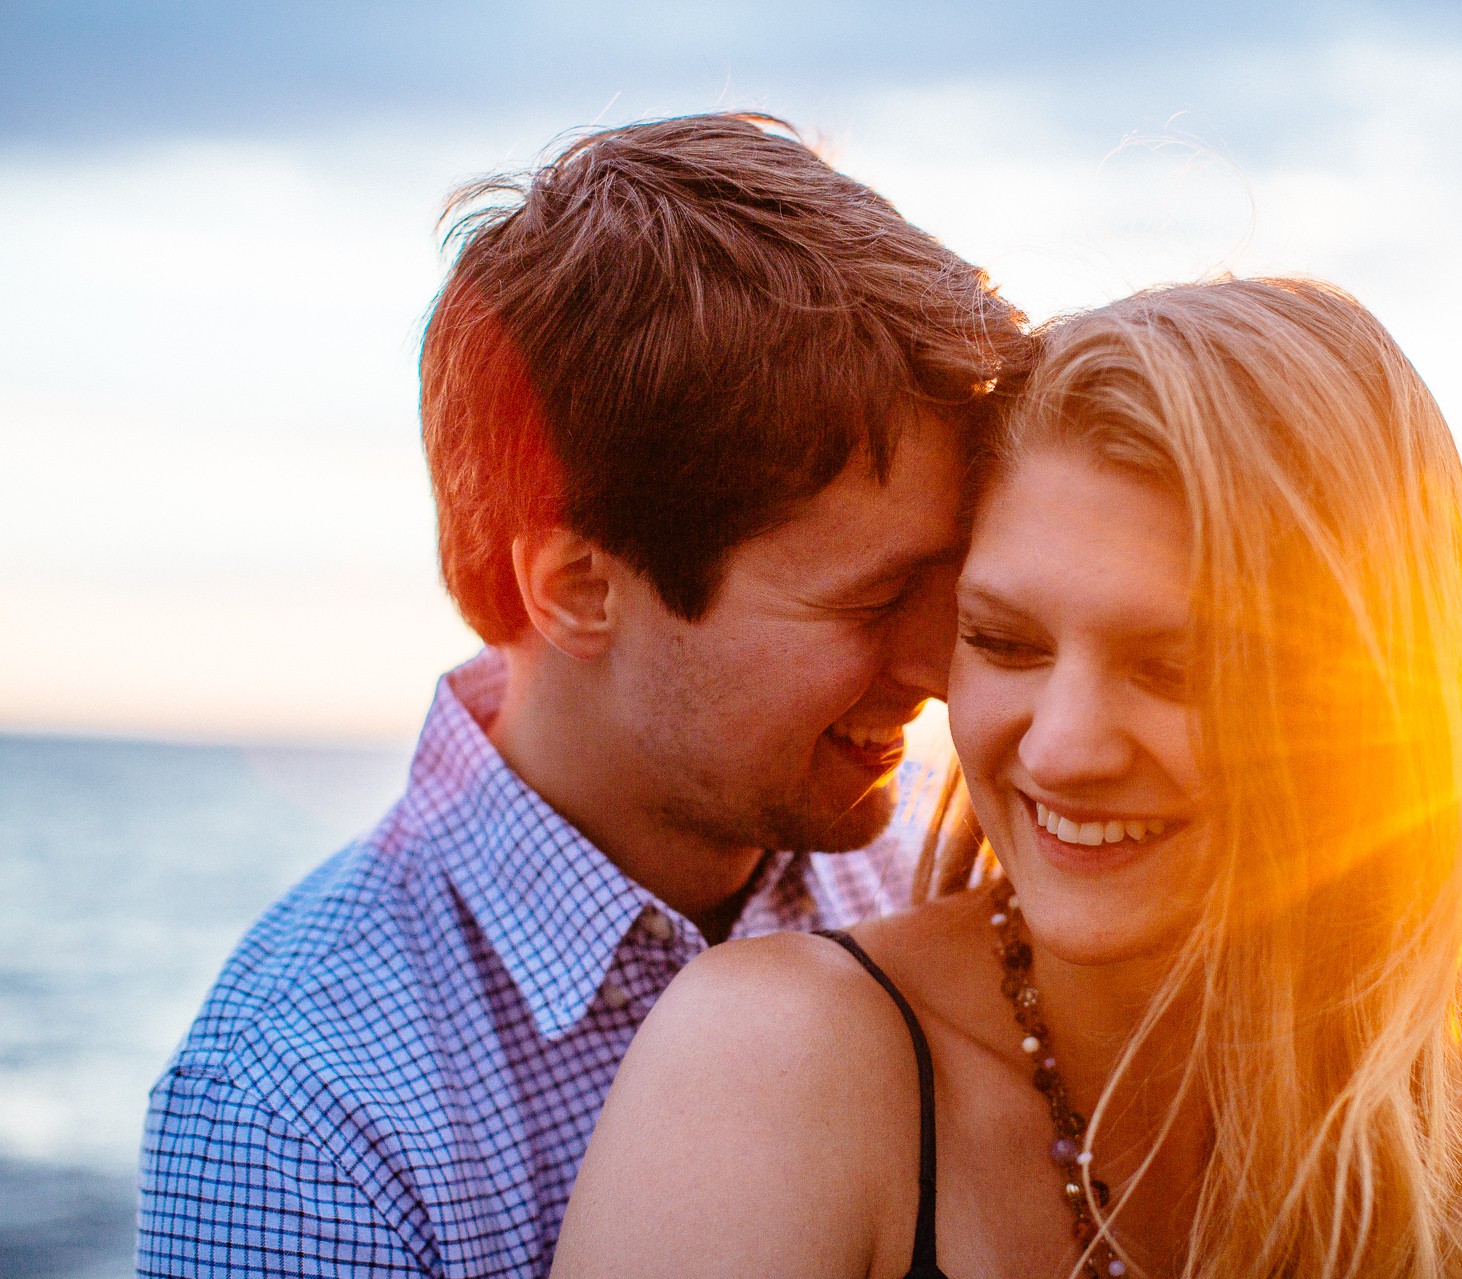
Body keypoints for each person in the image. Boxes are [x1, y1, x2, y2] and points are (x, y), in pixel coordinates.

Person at [553, 277, 1462, 1278]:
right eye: (1005, 642)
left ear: (1374, 706)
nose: (1062, 748)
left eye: (1174, 668)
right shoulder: (775, 1067)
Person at [138, 113, 1028, 1277]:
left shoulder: (945, 873)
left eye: (950, 580)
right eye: (874, 599)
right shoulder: (302, 1107)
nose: (934, 668)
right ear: (578, 590)